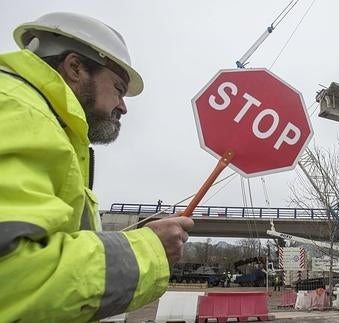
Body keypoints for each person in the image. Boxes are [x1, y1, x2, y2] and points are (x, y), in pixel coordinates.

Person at [0, 12, 195, 322]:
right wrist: (149, 250)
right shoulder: (19, 112)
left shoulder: (46, 124)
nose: (123, 106)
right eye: (118, 88)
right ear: (75, 67)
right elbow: (13, 276)